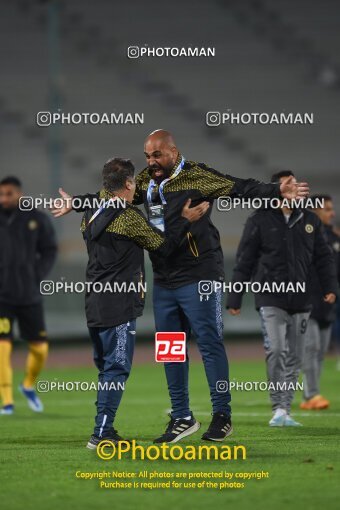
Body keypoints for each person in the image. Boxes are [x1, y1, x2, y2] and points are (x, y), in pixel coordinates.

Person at [52, 130, 309, 443]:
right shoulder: (144, 180)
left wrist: (276, 190)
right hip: (164, 277)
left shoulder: (197, 176)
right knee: (171, 349)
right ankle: (181, 417)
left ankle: (222, 415)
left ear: (173, 151)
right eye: (147, 156)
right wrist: (78, 203)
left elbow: (240, 187)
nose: (151, 162)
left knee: (209, 342)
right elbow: (112, 196)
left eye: (157, 155)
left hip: (199, 273)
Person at [53, 158, 209, 449]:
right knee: (116, 368)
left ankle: (104, 427)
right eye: (133, 181)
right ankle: (101, 432)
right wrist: (185, 220)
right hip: (120, 302)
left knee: (106, 368)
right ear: (127, 184)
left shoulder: (91, 211)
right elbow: (162, 247)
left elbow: (95, 200)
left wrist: (75, 202)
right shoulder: (128, 216)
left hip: (94, 300)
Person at [227, 171, 337, 426]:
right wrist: (235, 297)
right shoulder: (259, 220)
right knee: (276, 349)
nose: (295, 188)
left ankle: (285, 410)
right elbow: (245, 260)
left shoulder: (310, 219)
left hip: (302, 298)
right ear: (276, 189)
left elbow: (323, 257)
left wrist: (330, 286)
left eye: (296, 184)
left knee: (295, 355)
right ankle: (278, 407)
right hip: (270, 297)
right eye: (288, 184)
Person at [0, 176, 57, 415]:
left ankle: (28, 385)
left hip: (29, 293)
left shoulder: (36, 218)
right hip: (2, 297)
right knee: (2, 346)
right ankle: (7, 400)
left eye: (8, 194)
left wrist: (37, 275)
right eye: (1, 194)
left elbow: (50, 249)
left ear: (19, 194)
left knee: (40, 348)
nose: (4, 199)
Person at [300, 195, 340, 410]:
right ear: (315, 211)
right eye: (327, 209)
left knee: (321, 350)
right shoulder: (304, 234)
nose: (332, 213)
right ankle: (310, 395)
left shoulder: (333, 238)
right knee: (312, 347)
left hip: (327, 304)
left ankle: (311, 393)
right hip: (306, 302)